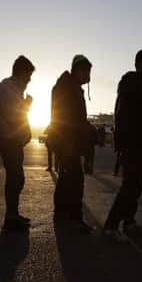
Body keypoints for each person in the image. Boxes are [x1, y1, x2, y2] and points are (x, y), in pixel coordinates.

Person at [103, 49, 142, 242]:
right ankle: (111, 226)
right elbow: (124, 115)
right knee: (130, 186)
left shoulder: (136, 84)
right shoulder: (131, 84)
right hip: (131, 144)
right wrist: (127, 142)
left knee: (135, 185)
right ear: (138, 63)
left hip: (135, 144)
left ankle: (129, 222)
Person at [48, 55, 95, 232]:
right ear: (77, 70)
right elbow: (65, 117)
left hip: (66, 140)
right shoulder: (66, 88)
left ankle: (61, 214)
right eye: (87, 71)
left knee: (67, 178)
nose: (89, 76)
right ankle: (74, 218)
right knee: (76, 179)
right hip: (67, 141)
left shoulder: (68, 87)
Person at [0, 56, 35, 229]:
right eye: (28, 76)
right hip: (9, 140)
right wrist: (27, 104)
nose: (29, 80)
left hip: (14, 140)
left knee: (16, 178)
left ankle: (13, 214)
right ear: (21, 73)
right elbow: (14, 117)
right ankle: (11, 217)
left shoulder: (14, 88)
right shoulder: (8, 89)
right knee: (15, 178)